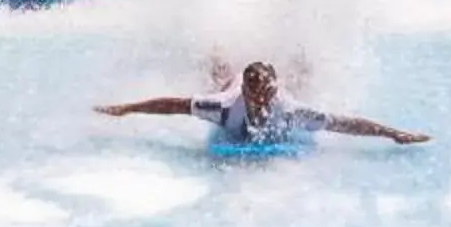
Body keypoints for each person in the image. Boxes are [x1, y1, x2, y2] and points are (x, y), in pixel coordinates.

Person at [97, 59, 428, 147]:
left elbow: (342, 123)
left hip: (277, 87)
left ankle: (299, 66)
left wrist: (393, 133)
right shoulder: (224, 107)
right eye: (256, 93)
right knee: (219, 76)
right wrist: (126, 109)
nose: (262, 100)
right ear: (247, 91)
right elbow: (174, 105)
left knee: (300, 83)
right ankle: (221, 61)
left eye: (267, 93)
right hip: (230, 85)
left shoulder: (290, 109)